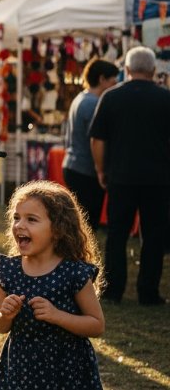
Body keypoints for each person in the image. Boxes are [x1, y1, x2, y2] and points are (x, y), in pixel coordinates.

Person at [0, 181, 105, 389]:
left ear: (58, 230)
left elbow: (97, 325)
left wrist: (57, 316)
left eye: (31, 219)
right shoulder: (10, 271)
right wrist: (4, 315)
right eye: (16, 218)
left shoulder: (73, 273)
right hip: (21, 369)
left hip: (67, 370)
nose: (19, 225)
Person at [90, 46, 170, 306]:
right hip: (158, 179)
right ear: (153, 70)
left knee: (117, 235)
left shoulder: (111, 97)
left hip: (121, 177)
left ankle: (113, 290)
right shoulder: (165, 98)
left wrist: (101, 170)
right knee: (154, 236)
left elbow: (97, 139)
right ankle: (148, 292)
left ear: (126, 70)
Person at [62, 58, 119, 230]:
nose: (115, 85)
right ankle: (80, 257)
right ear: (102, 79)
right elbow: (97, 140)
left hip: (75, 166)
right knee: (86, 226)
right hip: (85, 170)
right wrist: (101, 169)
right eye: (113, 81)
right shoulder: (94, 103)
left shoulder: (82, 97)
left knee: (80, 223)